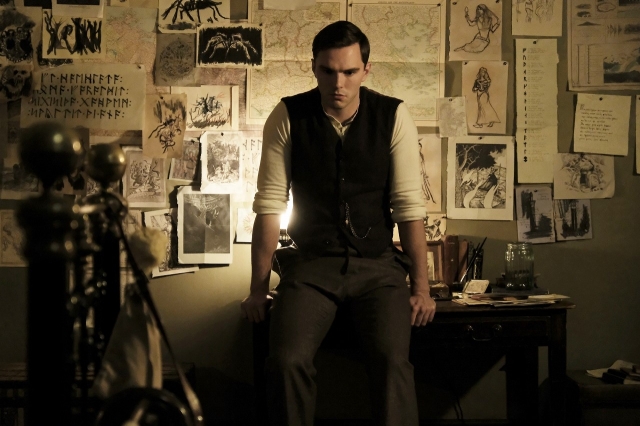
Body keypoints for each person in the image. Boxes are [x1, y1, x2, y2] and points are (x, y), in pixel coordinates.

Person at [240, 21, 435, 426]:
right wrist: (257, 289)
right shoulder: (288, 115)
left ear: (366, 70)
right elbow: (269, 205)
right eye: (328, 71)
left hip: (378, 266)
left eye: (349, 71)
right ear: (313, 67)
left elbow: (407, 207)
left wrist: (421, 288)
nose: (338, 83)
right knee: (286, 361)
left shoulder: (393, 116)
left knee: (393, 362)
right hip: (312, 266)